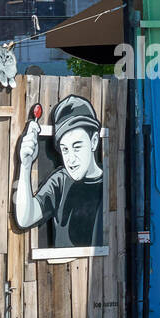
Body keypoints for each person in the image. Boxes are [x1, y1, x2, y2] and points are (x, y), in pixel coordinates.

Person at [14, 95, 105, 248]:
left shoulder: (112, 183)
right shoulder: (60, 181)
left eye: (77, 147)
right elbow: (25, 218)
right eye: (65, 149)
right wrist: (26, 165)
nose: (71, 159)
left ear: (94, 141)